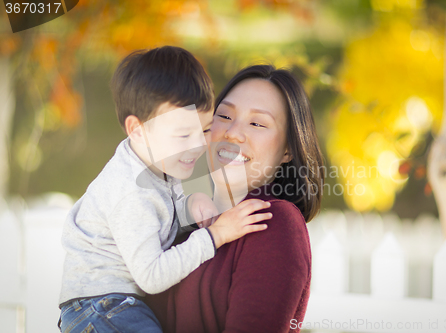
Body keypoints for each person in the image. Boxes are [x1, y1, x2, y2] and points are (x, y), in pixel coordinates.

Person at [57, 47, 272, 333]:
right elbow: (152, 276)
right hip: (100, 308)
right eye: (184, 134)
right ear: (138, 130)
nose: (197, 145)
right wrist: (215, 235)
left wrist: (192, 200)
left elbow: (172, 191)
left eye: (205, 130)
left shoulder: (159, 157)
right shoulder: (132, 193)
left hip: (115, 305)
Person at [146, 65, 325, 333]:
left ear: (288, 149)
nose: (233, 133)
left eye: (257, 123)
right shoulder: (175, 214)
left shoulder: (271, 223)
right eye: (225, 116)